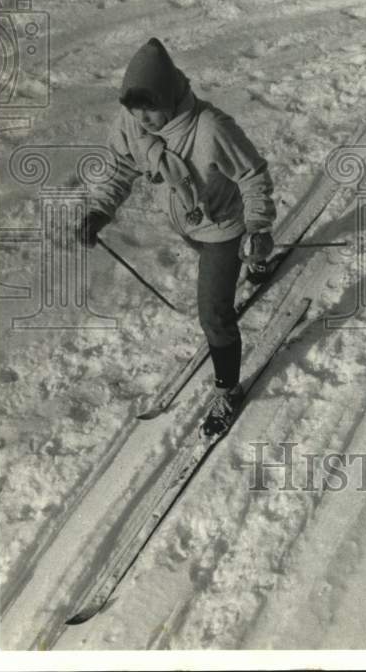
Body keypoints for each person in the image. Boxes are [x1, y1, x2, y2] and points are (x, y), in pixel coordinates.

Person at [76, 37, 276, 436]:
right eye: (135, 109)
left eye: (150, 107)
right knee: (218, 276)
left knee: (214, 315)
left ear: (169, 96)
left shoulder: (211, 129)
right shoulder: (132, 126)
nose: (143, 118)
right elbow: (119, 168)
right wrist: (100, 211)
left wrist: (257, 227)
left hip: (225, 226)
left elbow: (252, 176)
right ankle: (253, 259)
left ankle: (228, 389)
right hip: (188, 224)